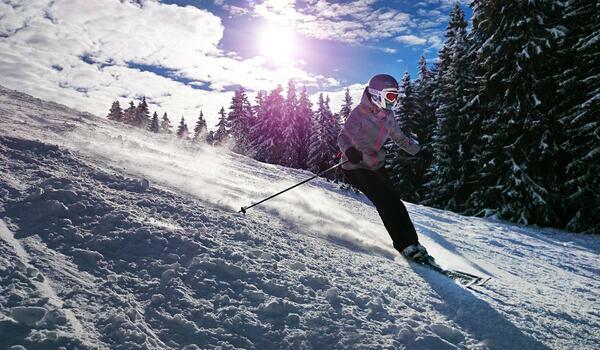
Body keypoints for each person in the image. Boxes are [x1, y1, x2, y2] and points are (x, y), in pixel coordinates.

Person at [338, 74, 432, 264]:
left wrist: (417, 151)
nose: (393, 101)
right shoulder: (359, 113)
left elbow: (399, 137)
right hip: (355, 166)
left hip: (374, 164)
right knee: (385, 201)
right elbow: (343, 136)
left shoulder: (388, 115)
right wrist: (349, 150)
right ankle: (404, 245)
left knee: (395, 202)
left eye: (395, 96)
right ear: (375, 94)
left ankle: (414, 244)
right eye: (390, 96)